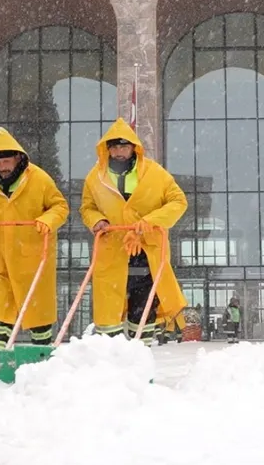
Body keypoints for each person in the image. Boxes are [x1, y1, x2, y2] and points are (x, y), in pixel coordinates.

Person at [80, 119, 188, 341]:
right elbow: (87, 207)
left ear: (134, 148)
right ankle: (109, 357)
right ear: (107, 149)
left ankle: (142, 353)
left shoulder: (155, 173)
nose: (119, 152)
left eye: (124, 147)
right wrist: (97, 220)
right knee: (109, 310)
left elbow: (178, 201)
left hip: (146, 250)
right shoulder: (95, 177)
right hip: (112, 249)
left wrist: (150, 221)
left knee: (144, 305)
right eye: (115, 147)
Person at [0, 127, 69, 350]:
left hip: (33, 259)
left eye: (6, 162)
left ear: (17, 158)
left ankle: (40, 356)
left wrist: (47, 220)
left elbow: (59, 206)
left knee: (38, 314)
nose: (2, 168)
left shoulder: (39, 179)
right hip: (0, 261)